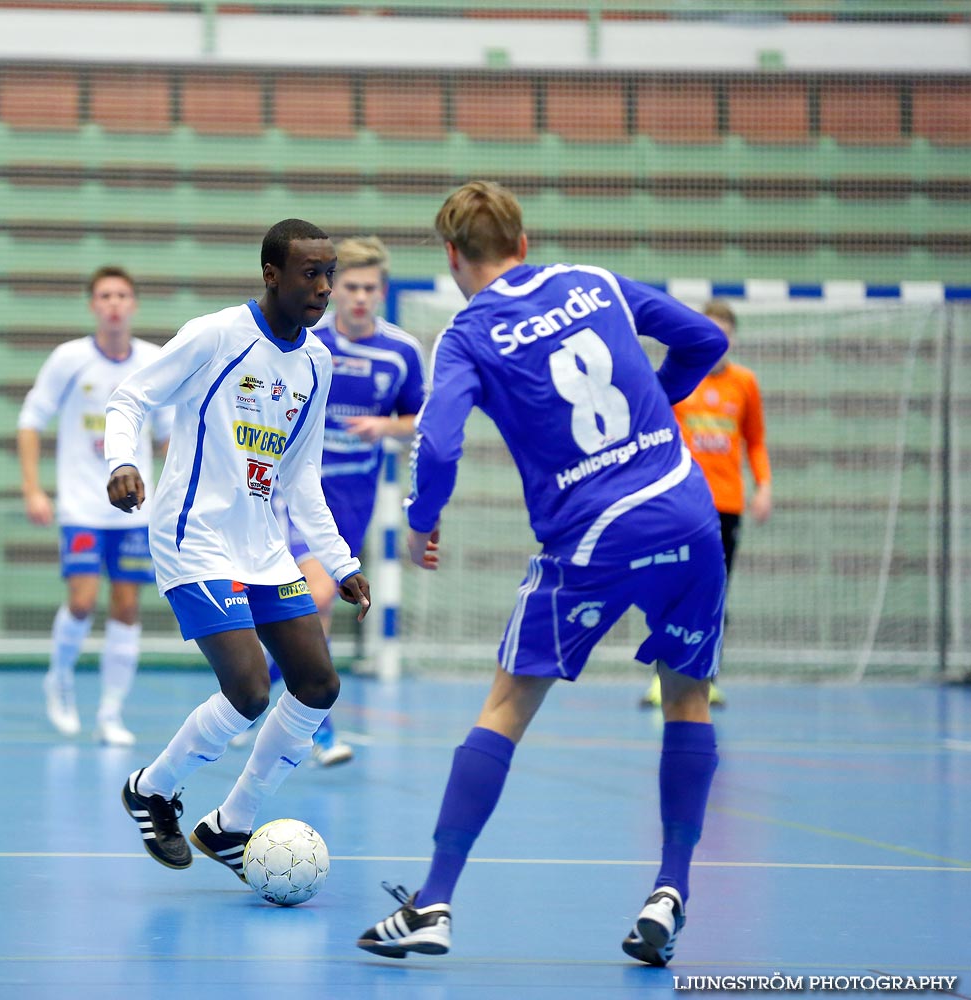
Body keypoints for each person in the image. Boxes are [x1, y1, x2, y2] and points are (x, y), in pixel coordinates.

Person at [356, 182, 729, 967]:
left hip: (591, 537)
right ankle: (670, 888)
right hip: (686, 513)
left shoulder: (464, 334)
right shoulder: (594, 281)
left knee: (507, 705)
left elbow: (441, 444)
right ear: (523, 243)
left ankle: (435, 902)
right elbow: (704, 340)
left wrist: (422, 523)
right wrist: (656, 409)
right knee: (687, 698)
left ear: (453, 257)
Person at [104, 219, 372, 878]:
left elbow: (301, 476)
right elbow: (131, 396)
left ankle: (232, 824)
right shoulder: (217, 334)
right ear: (271, 274)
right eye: (309, 272)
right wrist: (120, 463)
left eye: (328, 273)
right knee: (250, 689)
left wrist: (339, 562)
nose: (323, 287)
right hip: (191, 535)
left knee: (317, 684)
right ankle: (152, 788)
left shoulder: (317, 362)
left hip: (263, 543)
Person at [246, 236, 426, 766]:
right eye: (350, 286)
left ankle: (251, 694)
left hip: (356, 499)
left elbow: (424, 419)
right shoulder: (307, 342)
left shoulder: (401, 352)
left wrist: (385, 426)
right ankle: (305, 721)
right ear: (333, 286)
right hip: (298, 494)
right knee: (316, 599)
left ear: (383, 291)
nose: (360, 297)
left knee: (313, 612)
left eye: (370, 288)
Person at [16, 265, 171, 746]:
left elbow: (168, 435)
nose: (114, 303)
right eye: (105, 295)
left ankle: (110, 713)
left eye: (123, 295)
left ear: (134, 304)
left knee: (126, 608)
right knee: (82, 602)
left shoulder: (153, 359)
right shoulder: (69, 359)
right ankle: (59, 679)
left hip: (133, 511)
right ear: (92, 305)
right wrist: (32, 488)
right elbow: (30, 420)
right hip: (82, 505)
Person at [640, 298, 771, 709]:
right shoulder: (681, 378)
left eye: (725, 335)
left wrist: (764, 485)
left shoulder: (745, 384)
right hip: (680, 506)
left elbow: (756, 441)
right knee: (672, 594)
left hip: (726, 506)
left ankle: (704, 679)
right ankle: (664, 681)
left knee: (714, 598)